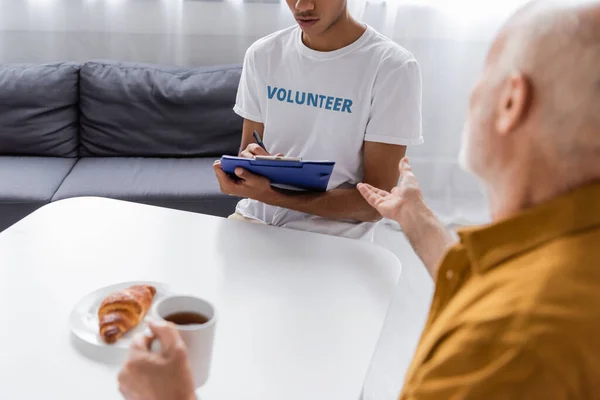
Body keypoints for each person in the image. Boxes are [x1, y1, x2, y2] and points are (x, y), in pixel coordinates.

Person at [118, 0, 600, 399]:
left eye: (484, 73)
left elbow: (375, 201)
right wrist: (415, 219)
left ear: (511, 101)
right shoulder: (544, 264)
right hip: (253, 226)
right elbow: (475, 281)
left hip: (337, 247)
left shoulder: (511, 345)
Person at [212, 0, 423, 241]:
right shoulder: (263, 54)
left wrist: (271, 194)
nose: (303, 5)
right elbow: (246, 153)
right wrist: (247, 164)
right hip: (254, 223)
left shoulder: (392, 67)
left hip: (333, 240)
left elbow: (374, 204)